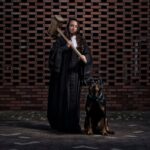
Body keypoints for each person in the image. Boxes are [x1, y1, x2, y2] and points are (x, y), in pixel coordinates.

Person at [47, 18, 92, 133]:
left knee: (74, 100)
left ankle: (73, 125)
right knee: (64, 98)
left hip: (75, 75)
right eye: (72, 25)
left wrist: (85, 57)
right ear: (68, 26)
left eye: (76, 26)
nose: (74, 28)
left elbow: (87, 54)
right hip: (64, 75)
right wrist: (64, 48)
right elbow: (54, 54)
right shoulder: (62, 39)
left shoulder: (81, 40)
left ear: (78, 28)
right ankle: (62, 125)